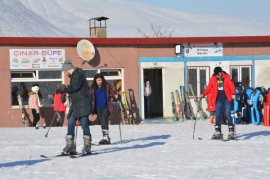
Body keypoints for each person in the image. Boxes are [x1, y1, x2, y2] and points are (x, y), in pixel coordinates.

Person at [61, 60, 93, 155]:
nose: (65, 73)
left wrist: (65, 89)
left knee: (84, 124)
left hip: (82, 103)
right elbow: (74, 88)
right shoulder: (75, 75)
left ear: (67, 70)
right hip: (75, 104)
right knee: (70, 122)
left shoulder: (78, 74)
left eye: (64, 72)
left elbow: (75, 87)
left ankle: (87, 145)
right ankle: (70, 145)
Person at [201, 66, 236, 140]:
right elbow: (209, 87)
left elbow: (231, 86)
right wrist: (203, 94)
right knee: (218, 115)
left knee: (227, 114)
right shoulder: (213, 78)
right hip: (218, 99)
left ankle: (231, 131)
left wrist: (233, 93)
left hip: (227, 98)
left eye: (218, 74)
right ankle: (218, 132)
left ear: (221, 72)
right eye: (216, 74)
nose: (217, 76)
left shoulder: (226, 77)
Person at [90, 73, 116, 145]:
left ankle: (106, 138)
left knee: (104, 120)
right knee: (102, 122)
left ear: (102, 80)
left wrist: (116, 97)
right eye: (97, 80)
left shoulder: (107, 86)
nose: (99, 82)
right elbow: (90, 96)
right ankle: (106, 137)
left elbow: (112, 93)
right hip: (97, 107)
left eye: (100, 80)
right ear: (95, 80)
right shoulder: (93, 87)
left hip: (106, 106)